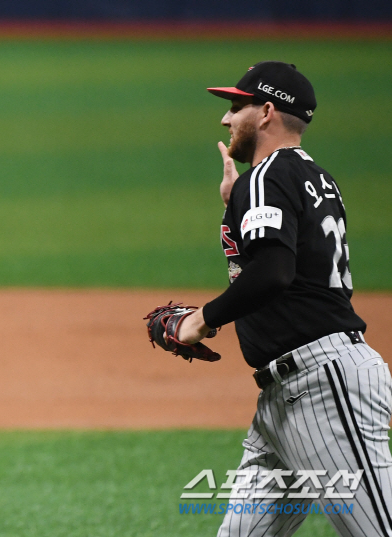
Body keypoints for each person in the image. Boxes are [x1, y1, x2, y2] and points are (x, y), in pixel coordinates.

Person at [178, 61, 392, 536]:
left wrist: (203, 319)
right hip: (287, 398)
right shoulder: (312, 176)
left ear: (267, 111)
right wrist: (239, 206)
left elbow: (275, 272)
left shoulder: (267, 177)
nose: (226, 118)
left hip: (323, 388)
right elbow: (293, 262)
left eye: (237, 106)